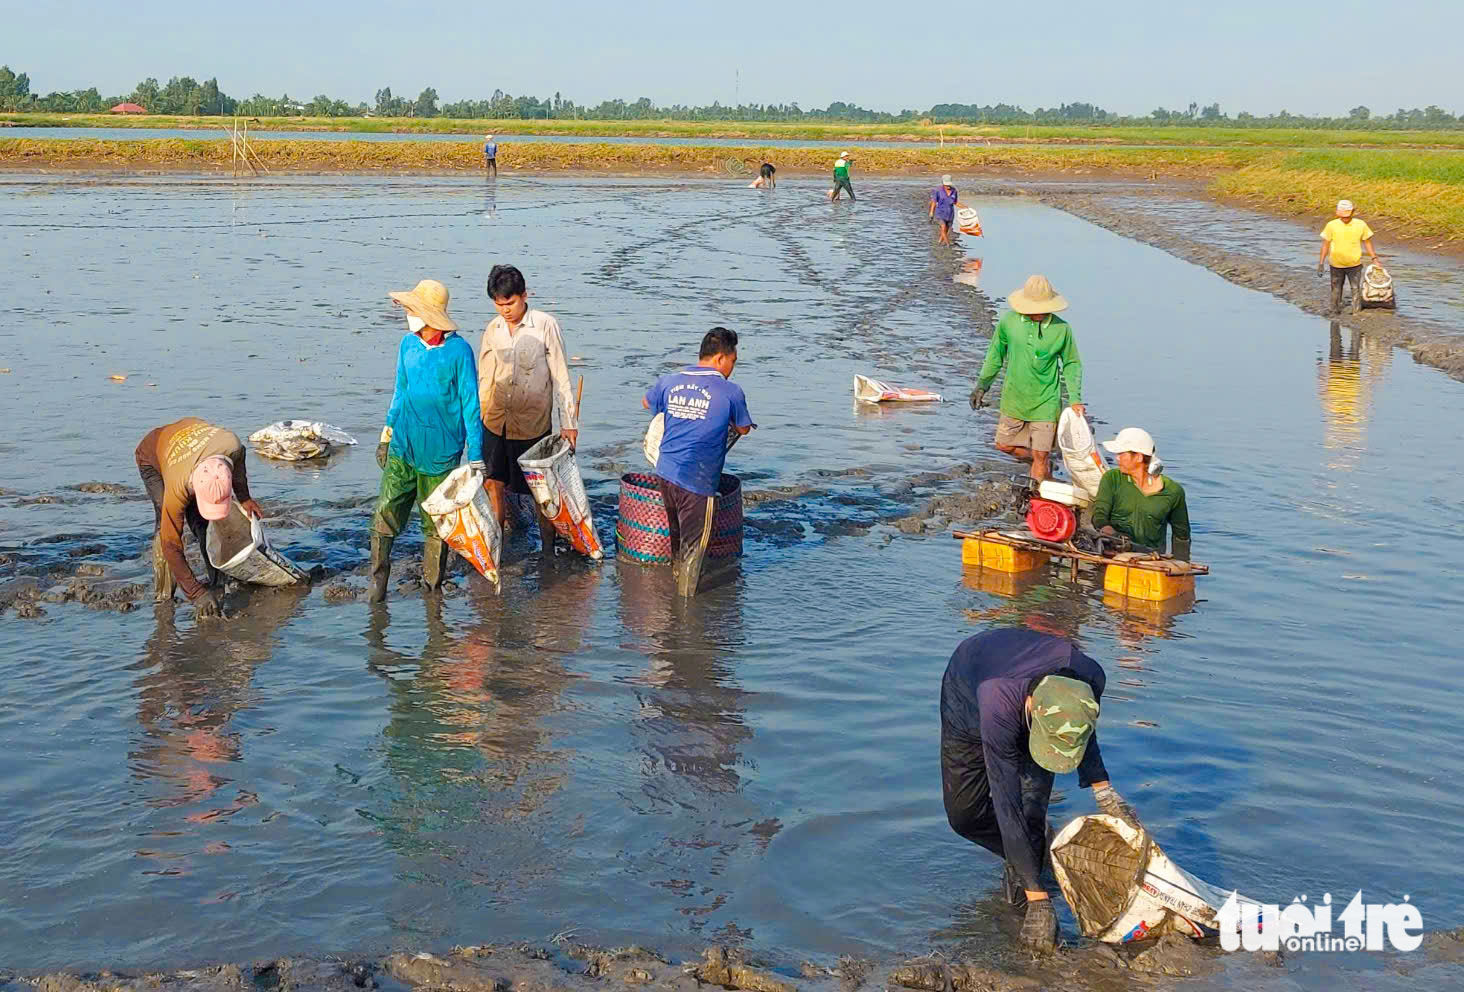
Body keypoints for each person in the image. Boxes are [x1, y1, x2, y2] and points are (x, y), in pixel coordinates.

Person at [940, 628, 1143, 953]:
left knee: (1031, 814)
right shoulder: (997, 703)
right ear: (1032, 705)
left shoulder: (1090, 678)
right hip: (967, 696)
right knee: (964, 816)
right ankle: (1032, 871)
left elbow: (1079, 730)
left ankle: (1026, 870)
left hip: (1024, 691)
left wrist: (1104, 791)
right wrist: (1040, 900)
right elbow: (1005, 803)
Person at [370, 279, 484, 602]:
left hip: (441, 454)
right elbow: (400, 393)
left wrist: (476, 459)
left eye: (411, 309)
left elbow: (470, 406)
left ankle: (432, 591)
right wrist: (386, 435)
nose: (408, 315)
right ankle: (377, 586)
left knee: (435, 528)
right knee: (384, 515)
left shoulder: (459, 353)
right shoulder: (407, 346)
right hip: (404, 448)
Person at [642, 327, 755, 597]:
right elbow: (743, 428)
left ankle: (675, 584)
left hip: (666, 474)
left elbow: (648, 403)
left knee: (678, 539)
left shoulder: (670, 381)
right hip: (698, 481)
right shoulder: (731, 392)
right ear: (719, 358)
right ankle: (685, 612)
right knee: (696, 549)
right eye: (733, 361)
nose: (732, 368)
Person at [478, 263, 579, 555]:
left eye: (510, 303)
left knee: (540, 490)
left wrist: (568, 423)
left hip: (532, 422)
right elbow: (486, 376)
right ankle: (495, 546)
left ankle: (548, 548)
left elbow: (560, 376)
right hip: (496, 420)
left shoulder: (545, 325)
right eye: (499, 305)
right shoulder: (493, 329)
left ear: (524, 295)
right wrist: (478, 420)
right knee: (493, 484)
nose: (505, 310)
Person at [135, 418, 263, 618]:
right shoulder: (177, 488)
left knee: (203, 524)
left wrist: (245, 498)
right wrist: (196, 593)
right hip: (153, 454)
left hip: (192, 447)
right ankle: (164, 596)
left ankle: (217, 581)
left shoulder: (232, 445)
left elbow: (238, 466)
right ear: (194, 486)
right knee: (165, 528)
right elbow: (171, 544)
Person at [969, 275, 1084, 482]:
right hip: (1015, 398)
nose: (1038, 313)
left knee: (1041, 456)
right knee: (1004, 445)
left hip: (1046, 401)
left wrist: (1075, 399)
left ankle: (1039, 497)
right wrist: (982, 385)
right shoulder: (1009, 322)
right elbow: (995, 355)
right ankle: (1042, 462)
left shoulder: (1062, 329)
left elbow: (1071, 363)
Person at [1091, 428, 1191, 560]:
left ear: (1138, 457)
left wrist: (1181, 563)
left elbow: (1181, 537)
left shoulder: (1173, 492)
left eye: (1121, 454)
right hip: (1113, 556)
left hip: (1152, 561)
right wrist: (1111, 533)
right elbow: (1099, 515)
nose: (1117, 458)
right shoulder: (1112, 479)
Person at [1318, 199, 1379, 315]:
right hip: (1336, 264)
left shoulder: (1361, 225)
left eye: (1348, 215)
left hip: (1355, 264)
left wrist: (1374, 258)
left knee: (1355, 288)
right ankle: (1334, 310)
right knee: (1336, 289)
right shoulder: (1331, 225)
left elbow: (1367, 242)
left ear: (1353, 212)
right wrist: (1321, 263)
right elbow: (1325, 245)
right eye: (1343, 216)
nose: (1345, 218)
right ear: (1337, 213)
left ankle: (1356, 311)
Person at [929, 174, 958, 245]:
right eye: (946, 184)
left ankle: (939, 242)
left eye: (949, 184)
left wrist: (965, 208)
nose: (948, 186)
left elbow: (955, 202)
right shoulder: (937, 191)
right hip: (940, 213)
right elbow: (934, 202)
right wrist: (931, 212)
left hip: (950, 214)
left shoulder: (954, 191)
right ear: (943, 183)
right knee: (943, 227)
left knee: (946, 230)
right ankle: (948, 244)